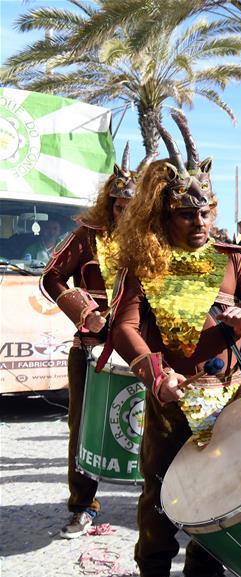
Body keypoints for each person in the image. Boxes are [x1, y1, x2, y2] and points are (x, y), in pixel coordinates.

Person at [109, 112, 241, 577]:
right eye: (186, 214)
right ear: (165, 216)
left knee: (224, 487)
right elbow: (124, 328)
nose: (199, 222)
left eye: (205, 213)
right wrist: (156, 375)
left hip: (229, 397)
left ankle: (203, 575)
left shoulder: (232, 258)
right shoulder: (144, 265)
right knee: (161, 490)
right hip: (171, 399)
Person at [40, 142, 151, 539]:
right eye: (119, 206)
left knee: (158, 427)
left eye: (132, 206)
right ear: (110, 204)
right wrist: (85, 312)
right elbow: (51, 277)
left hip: (145, 346)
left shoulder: (156, 238)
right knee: (82, 425)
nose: (125, 212)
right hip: (91, 346)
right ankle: (82, 505)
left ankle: (160, 508)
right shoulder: (88, 236)